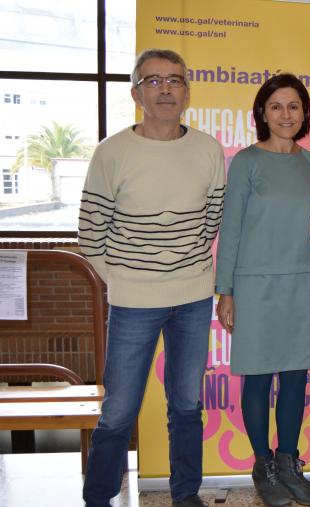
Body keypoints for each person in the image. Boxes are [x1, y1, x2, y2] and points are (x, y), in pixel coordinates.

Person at [78, 48, 225, 507]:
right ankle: (99, 498)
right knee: (118, 411)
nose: (165, 89)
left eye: (175, 80)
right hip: (132, 301)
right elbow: (91, 230)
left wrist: (181, 268)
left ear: (187, 91)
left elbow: (211, 219)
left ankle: (186, 495)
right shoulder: (112, 151)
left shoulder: (207, 149)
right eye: (154, 80)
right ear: (136, 93)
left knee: (186, 405)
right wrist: (124, 278)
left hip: (194, 297)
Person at [214, 73, 310, 507]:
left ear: (304, 113)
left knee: (296, 377)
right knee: (258, 379)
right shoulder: (246, 162)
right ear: (262, 112)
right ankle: (262, 466)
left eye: (293, 106)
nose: (285, 114)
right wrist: (226, 291)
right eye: (276, 106)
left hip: (300, 284)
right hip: (254, 286)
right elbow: (231, 228)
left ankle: (288, 463)